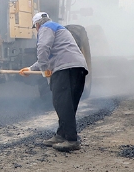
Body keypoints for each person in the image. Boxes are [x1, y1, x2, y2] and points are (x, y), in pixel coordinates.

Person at [20, 12, 88, 152]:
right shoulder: (58, 28)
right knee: (67, 104)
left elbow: (43, 48)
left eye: (35, 28)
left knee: (62, 103)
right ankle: (61, 134)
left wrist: (45, 70)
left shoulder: (46, 28)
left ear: (37, 25)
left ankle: (71, 140)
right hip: (78, 68)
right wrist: (31, 68)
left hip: (65, 68)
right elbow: (50, 55)